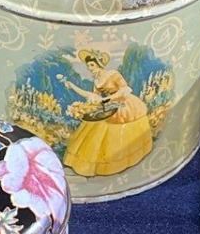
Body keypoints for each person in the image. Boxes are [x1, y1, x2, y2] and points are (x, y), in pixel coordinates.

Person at [56, 46, 154, 177]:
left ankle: (115, 162)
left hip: (124, 103)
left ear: (99, 64)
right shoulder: (97, 81)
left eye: (92, 65)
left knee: (112, 128)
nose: (90, 68)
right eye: (88, 65)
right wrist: (72, 86)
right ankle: (87, 163)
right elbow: (93, 96)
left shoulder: (113, 74)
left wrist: (108, 99)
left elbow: (125, 90)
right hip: (109, 104)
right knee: (93, 126)